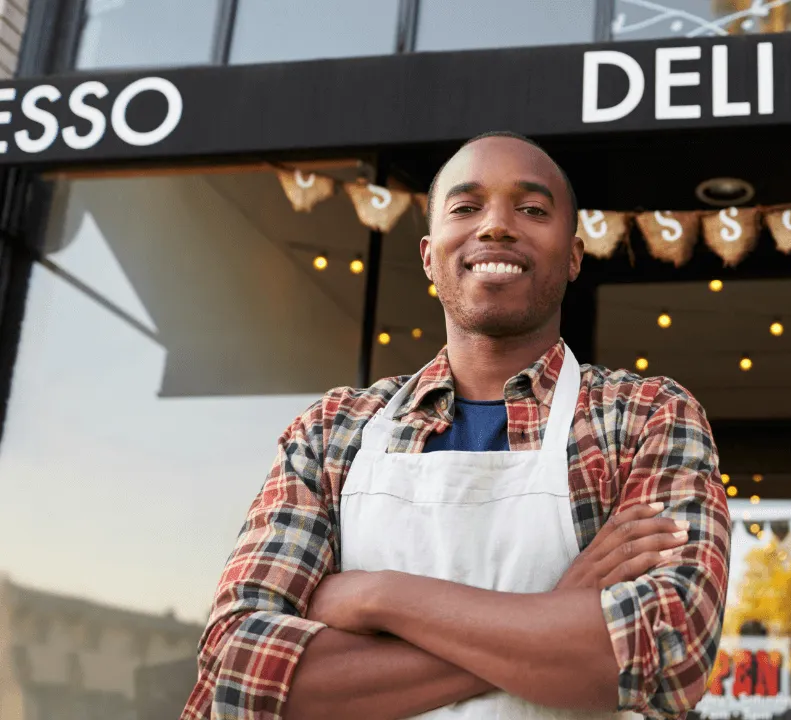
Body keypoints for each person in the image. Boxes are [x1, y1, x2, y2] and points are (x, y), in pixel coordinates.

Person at [180, 131, 730, 720]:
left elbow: (669, 652)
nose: (495, 226)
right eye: (466, 208)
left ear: (573, 256)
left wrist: (377, 596)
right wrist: (554, 611)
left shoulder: (647, 415)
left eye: (532, 209)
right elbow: (237, 674)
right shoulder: (331, 431)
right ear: (428, 255)